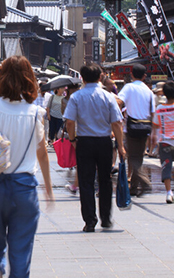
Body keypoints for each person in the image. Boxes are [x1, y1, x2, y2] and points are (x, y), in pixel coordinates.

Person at [0, 56, 54, 278]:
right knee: (21, 248)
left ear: (1, 77)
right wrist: (48, 188)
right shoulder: (36, 112)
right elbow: (42, 153)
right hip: (24, 187)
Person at [64, 63, 126, 232]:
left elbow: (70, 122)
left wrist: (72, 139)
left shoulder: (76, 97)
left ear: (82, 78)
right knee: (105, 181)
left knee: (86, 181)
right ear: (100, 77)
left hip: (84, 141)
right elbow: (116, 122)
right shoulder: (108, 97)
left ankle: (90, 221)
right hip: (104, 142)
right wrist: (120, 146)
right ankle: (106, 218)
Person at [117, 64, 155, 197]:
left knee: (132, 157)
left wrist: (118, 117)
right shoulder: (149, 91)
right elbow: (153, 112)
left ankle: (144, 182)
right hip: (145, 127)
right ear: (144, 76)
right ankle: (133, 187)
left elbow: (118, 102)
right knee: (138, 156)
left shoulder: (129, 87)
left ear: (132, 75)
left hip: (132, 127)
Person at [151, 81, 174, 204]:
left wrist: (154, 138)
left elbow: (155, 125)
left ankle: (168, 193)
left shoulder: (159, 109)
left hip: (164, 142)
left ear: (164, 94)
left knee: (166, 167)